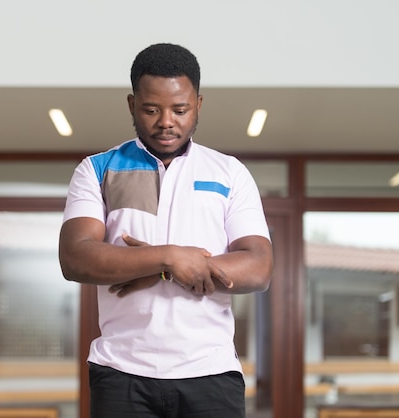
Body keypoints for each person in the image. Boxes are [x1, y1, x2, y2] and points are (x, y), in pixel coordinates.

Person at [58, 43, 273, 418]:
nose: (166, 122)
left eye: (180, 109)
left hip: (211, 373)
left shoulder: (229, 172)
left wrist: (146, 268)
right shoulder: (97, 169)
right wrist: (169, 259)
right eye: (151, 109)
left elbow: (257, 267)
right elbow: (76, 257)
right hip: (121, 373)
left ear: (198, 106)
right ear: (131, 105)